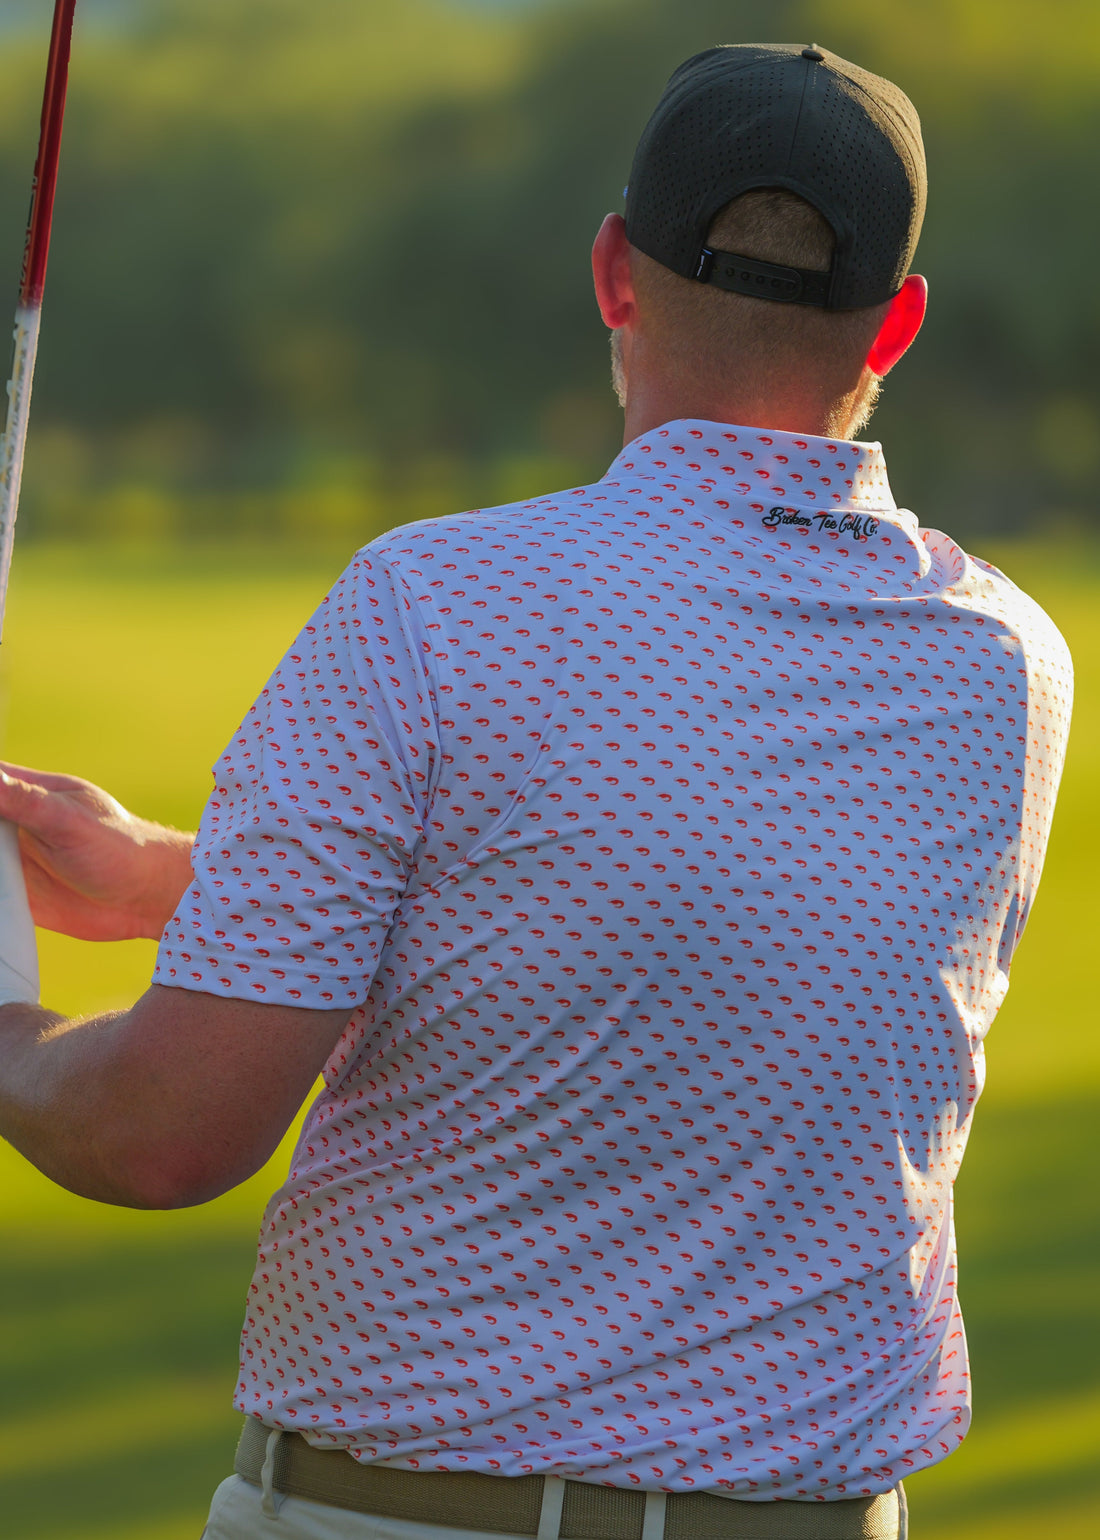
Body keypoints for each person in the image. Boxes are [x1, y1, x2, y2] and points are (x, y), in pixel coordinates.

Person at [0, 42, 1072, 1540]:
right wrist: (185, 874)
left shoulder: (435, 606)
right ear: (897, 321)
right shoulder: (1010, 666)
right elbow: (685, 903)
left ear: (614, 277)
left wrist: (9, 1030)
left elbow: (165, 1133)